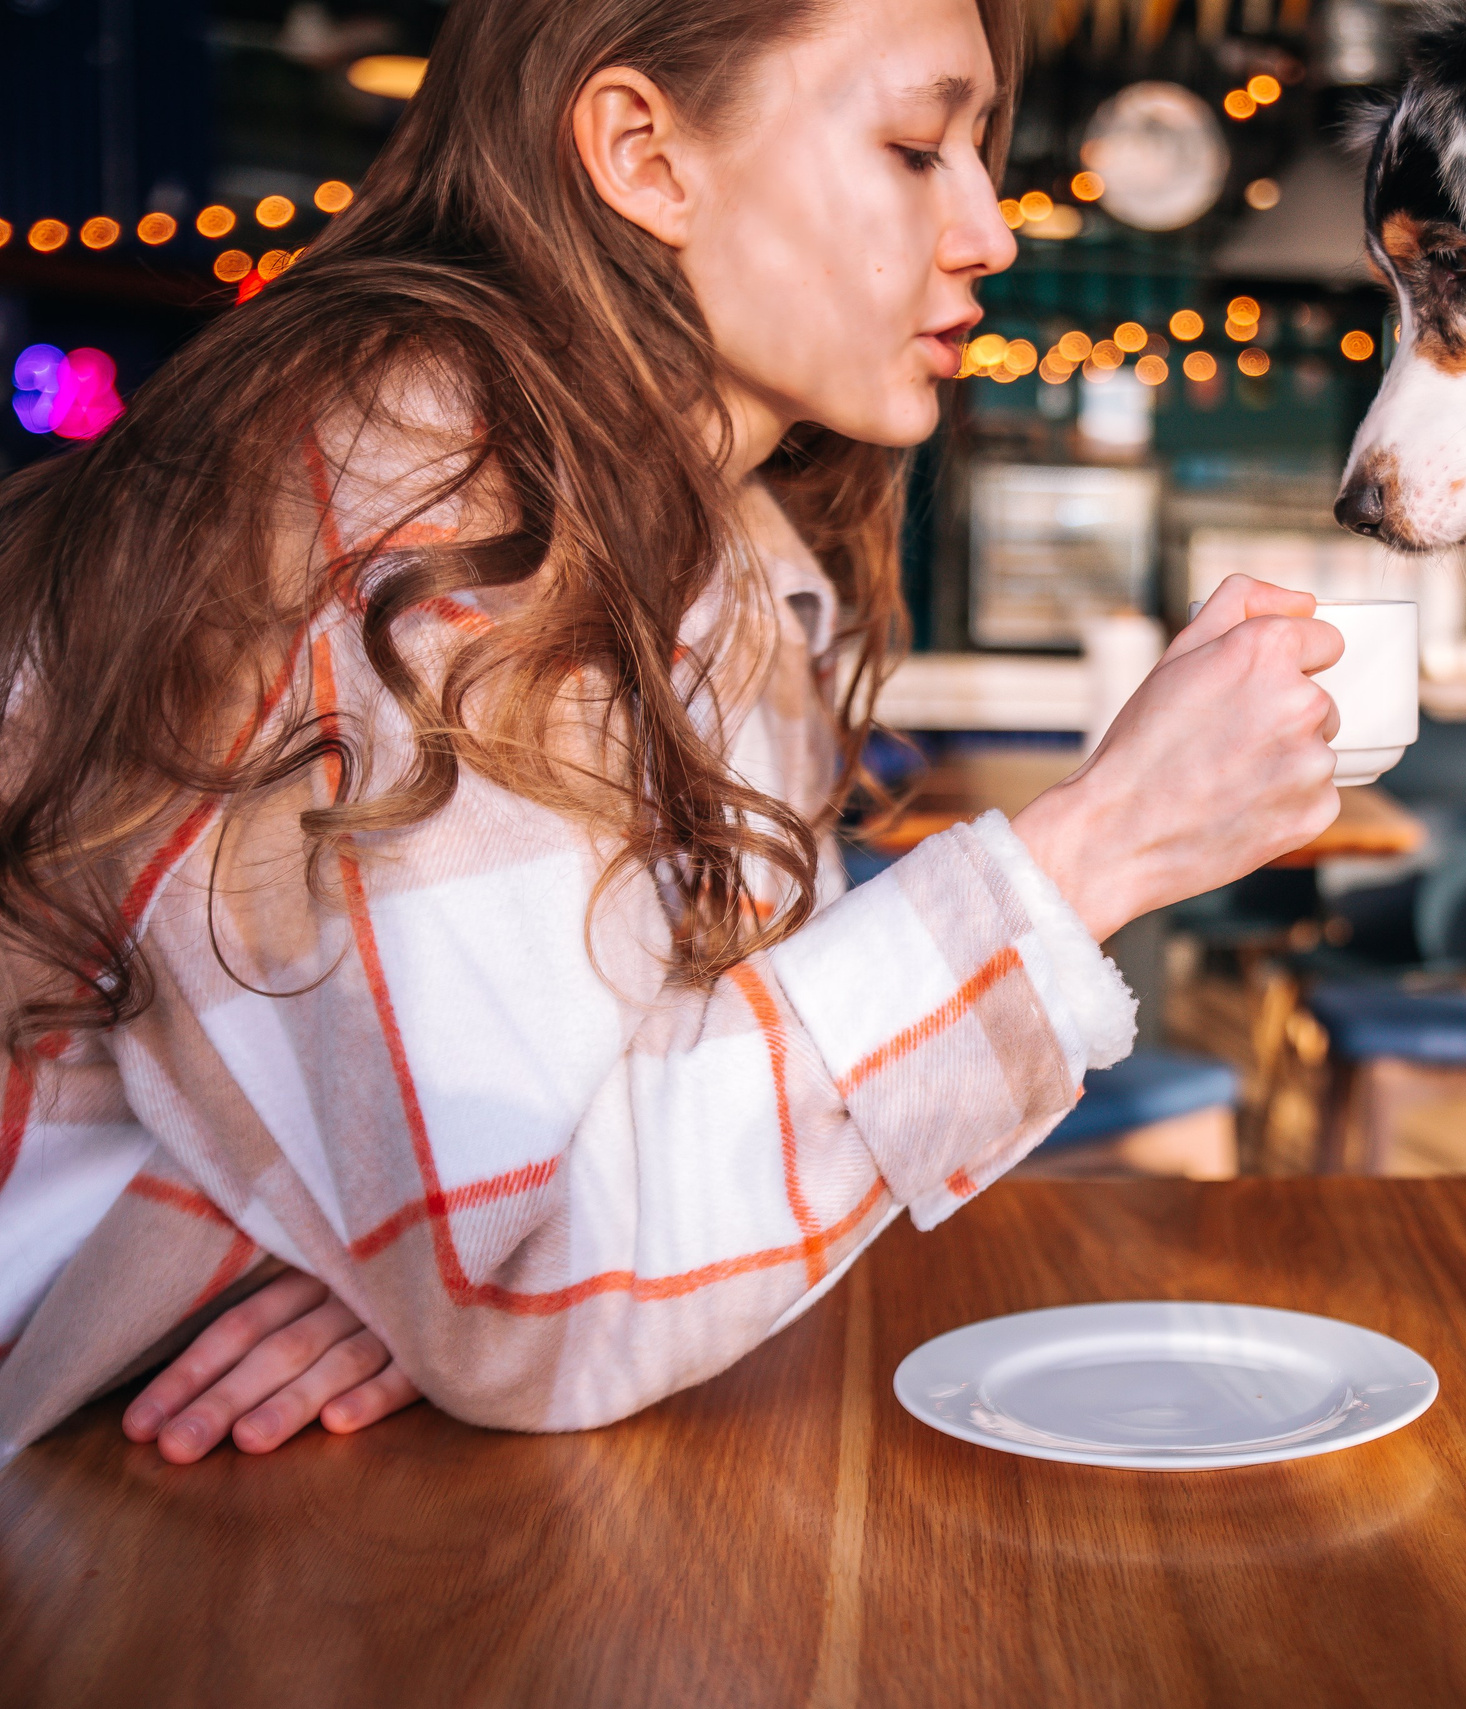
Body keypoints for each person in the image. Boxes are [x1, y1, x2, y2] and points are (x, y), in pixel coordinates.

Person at [0, 0, 1343, 1465]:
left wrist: (432, 1265)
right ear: (644, 154)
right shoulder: (408, 493)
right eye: (913, 145)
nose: (990, 228)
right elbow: (533, 1281)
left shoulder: (734, 552)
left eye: (979, 148)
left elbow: (588, 1195)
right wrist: (1095, 850)